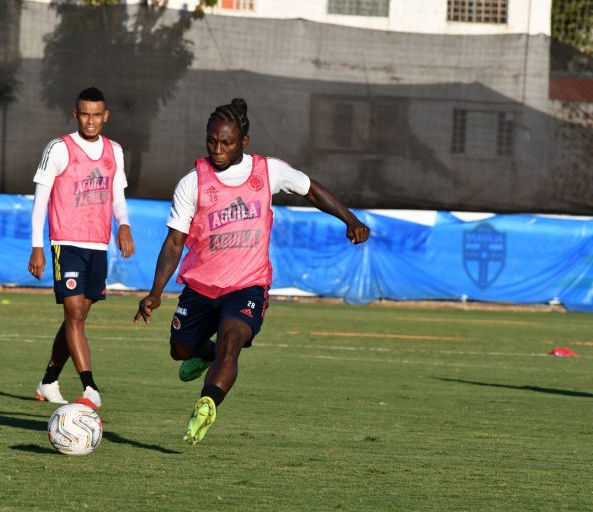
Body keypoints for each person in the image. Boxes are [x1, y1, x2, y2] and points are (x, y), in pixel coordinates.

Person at [133, 98, 369, 445]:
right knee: (180, 351)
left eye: (226, 142)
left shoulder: (268, 171)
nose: (217, 149)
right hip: (201, 286)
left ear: (244, 141)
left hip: (247, 285)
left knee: (232, 342)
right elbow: (174, 243)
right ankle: (207, 355)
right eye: (212, 141)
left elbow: (311, 189)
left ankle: (208, 403)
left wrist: (349, 219)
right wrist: (155, 293)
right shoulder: (192, 183)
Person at [28, 87, 134, 409]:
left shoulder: (114, 151)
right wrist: (37, 246)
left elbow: (117, 195)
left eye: (96, 115)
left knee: (78, 316)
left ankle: (48, 381)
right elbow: (40, 200)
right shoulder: (59, 149)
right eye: (84, 114)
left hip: (97, 245)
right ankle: (90, 387)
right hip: (66, 242)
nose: (90, 121)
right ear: (76, 115)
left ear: (105, 116)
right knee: (73, 313)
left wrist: (124, 225)